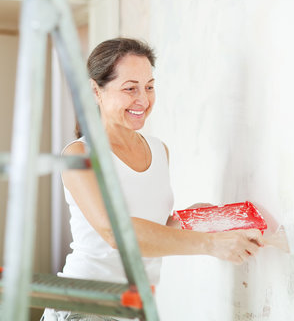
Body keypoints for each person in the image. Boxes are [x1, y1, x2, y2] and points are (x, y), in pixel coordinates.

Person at [42, 38, 263, 321]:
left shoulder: (159, 150)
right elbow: (115, 233)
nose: (143, 100)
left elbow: (156, 229)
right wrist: (210, 245)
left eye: (149, 86)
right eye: (130, 88)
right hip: (84, 307)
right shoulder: (79, 155)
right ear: (96, 91)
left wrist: (195, 221)